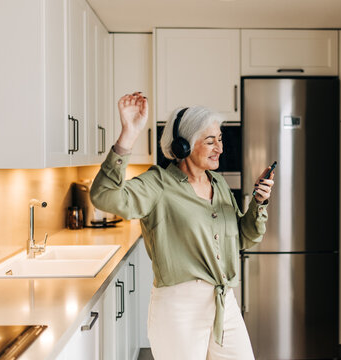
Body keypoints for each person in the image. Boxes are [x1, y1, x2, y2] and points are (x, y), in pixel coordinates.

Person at [90, 92, 275, 360]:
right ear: (183, 146)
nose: (220, 148)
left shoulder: (218, 184)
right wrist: (128, 134)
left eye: (220, 139)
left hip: (224, 304)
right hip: (179, 310)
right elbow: (104, 195)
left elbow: (243, 240)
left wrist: (259, 203)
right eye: (210, 141)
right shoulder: (157, 184)